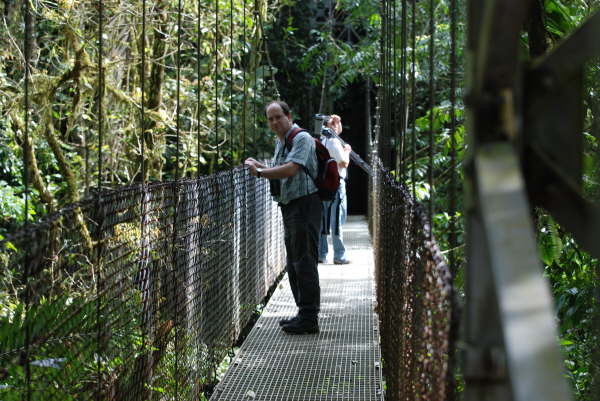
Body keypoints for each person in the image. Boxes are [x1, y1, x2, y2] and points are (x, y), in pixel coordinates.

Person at [244, 100, 321, 335]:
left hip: (305, 205)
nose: (275, 122)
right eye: (271, 119)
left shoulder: (302, 138)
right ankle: (302, 313)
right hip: (290, 206)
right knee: (294, 261)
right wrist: (258, 165)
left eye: (279, 117)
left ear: (289, 116)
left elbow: (290, 170)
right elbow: (278, 171)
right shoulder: (281, 142)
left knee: (304, 260)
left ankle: (309, 318)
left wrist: (259, 173)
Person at [319, 114, 351, 265]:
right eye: (334, 123)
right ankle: (339, 255)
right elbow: (344, 163)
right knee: (337, 220)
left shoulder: (323, 140)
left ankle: (322, 254)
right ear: (329, 126)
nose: (337, 125)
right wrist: (348, 151)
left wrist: (337, 122)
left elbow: (338, 130)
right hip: (337, 185)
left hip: (325, 185)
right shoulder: (334, 143)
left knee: (324, 220)